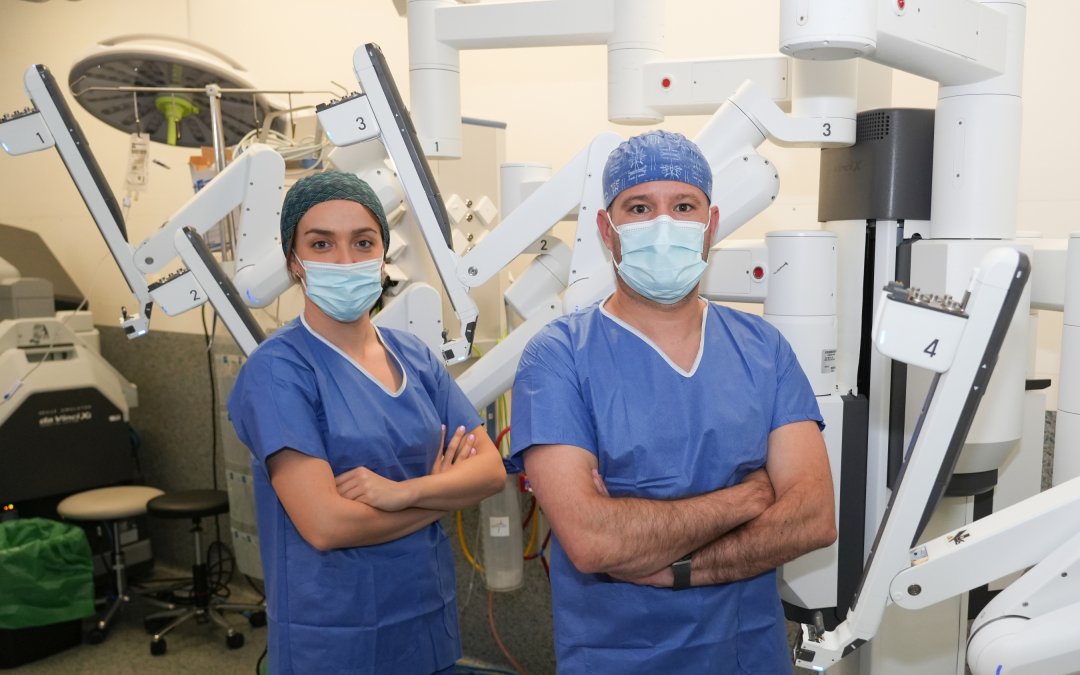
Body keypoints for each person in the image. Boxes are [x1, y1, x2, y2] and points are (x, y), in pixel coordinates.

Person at [509, 130, 837, 673]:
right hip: (620, 657)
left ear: (710, 225)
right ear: (606, 230)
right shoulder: (558, 357)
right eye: (639, 207)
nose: (663, 225)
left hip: (747, 654)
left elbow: (813, 519)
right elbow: (592, 542)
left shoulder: (762, 348)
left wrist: (669, 564)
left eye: (683, 206)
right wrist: (748, 498)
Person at [228, 171, 506, 675]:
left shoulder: (415, 357)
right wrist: (441, 495)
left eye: (362, 242)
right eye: (321, 244)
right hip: (334, 633)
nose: (345, 260)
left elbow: (489, 474)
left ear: (383, 255)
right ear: (295, 263)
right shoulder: (278, 372)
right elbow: (326, 526)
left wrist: (403, 493)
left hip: (426, 617)